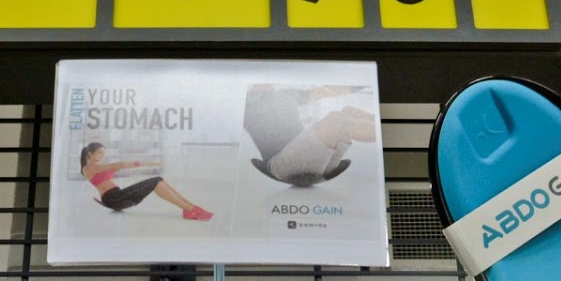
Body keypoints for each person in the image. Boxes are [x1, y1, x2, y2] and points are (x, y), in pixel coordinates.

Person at [244, 85, 378, 186]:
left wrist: (357, 85)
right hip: (281, 166)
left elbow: (323, 91)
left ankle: (385, 126)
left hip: (314, 160)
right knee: (336, 121)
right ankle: (386, 134)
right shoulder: (247, 101)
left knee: (349, 111)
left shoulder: (285, 94)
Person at [80, 142, 212, 220]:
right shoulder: (88, 168)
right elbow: (119, 165)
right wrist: (144, 163)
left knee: (159, 179)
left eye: (103, 153)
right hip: (113, 198)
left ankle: (190, 207)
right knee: (155, 182)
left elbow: (115, 168)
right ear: (90, 154)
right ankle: (189, 209)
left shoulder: (99, 167)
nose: (102, 155)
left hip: (118, 196)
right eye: (99, 153)